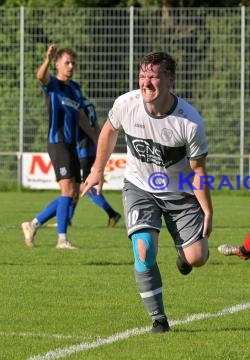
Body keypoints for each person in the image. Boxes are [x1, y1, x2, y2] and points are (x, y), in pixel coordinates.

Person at [81, 52, 213, 334]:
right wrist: (97, 169)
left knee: (197, 257)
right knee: (144, 249)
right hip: (140, 187)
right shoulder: (126, 104)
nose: (146, 82)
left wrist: (208, 211)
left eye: (153, 76)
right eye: (142, 76)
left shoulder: (189, 122)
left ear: (170, 80)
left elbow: (197, 171)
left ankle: (183, 254)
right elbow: (109, 130)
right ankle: (159, 319)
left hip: (179, 193)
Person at [21, 44, 93, 249]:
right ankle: (62, 239)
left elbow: (81, 117)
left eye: (73, 63)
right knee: (66, 190)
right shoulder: (53, 84)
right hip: (57, 142)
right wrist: (47, 59)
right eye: (67, 63)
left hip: (71, 145)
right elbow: (40, 76)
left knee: (74, 194)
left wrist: (97, 136)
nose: (71, 66)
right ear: (58, 65)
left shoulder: (75, 89)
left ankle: (32, 224)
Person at [69, 98, 122, 227]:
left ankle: (112, 213)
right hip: (91, 149)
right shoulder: (88, 103)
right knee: (77, 185)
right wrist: (99, 143)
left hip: (82, 149)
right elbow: (97, 125)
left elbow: (83, 124)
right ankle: (67, 219)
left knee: (80, 186)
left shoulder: (75, 103)